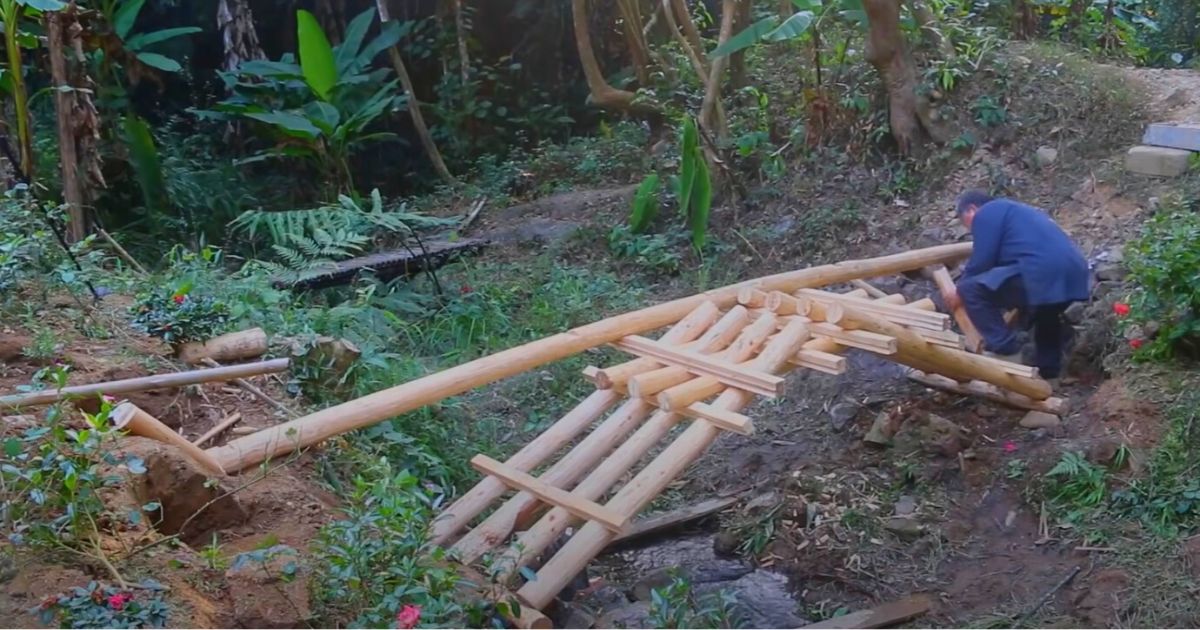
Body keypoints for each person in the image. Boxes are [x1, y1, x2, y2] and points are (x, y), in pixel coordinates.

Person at [944, 190, 1089, 385]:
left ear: (972, 209)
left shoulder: (989, 212)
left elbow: (982, 261)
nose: (973, 231)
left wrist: (958, 289)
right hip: (1074, 273)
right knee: (1046, 314)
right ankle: (1049, 373)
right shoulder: (1021, 213)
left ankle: (1005, 350)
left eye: (967, 224)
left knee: (971, 288)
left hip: (1043, 271)